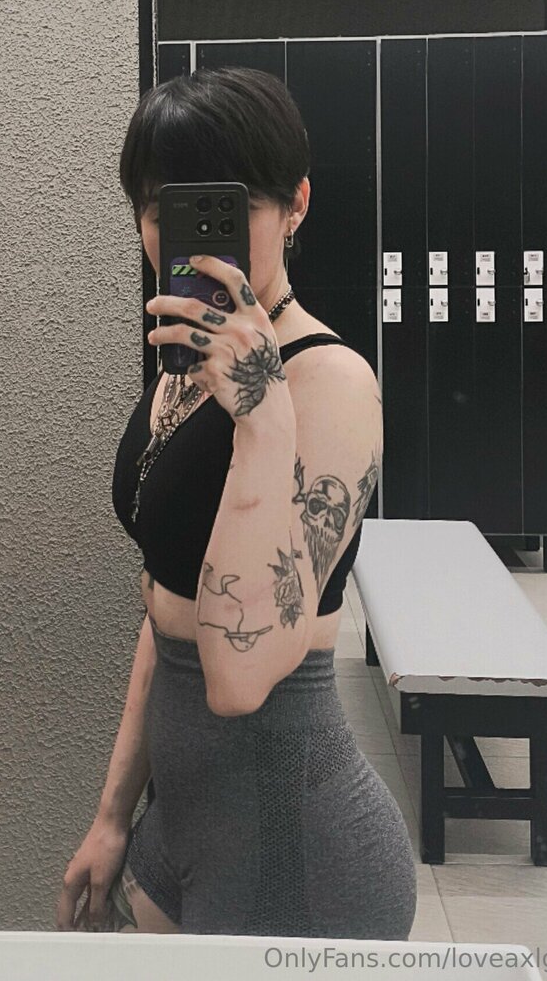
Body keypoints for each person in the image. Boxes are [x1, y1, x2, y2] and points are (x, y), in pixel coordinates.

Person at [56, 67, 417, 939]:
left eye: (227, 207)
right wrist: (111, 816)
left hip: (300, 855)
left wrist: (262, 415)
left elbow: (238, 675)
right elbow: (162, 602)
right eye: (159, 209)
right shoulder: (180, 375)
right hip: (177, 829)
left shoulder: (328, 382)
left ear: (295, 204)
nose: (187, 240)